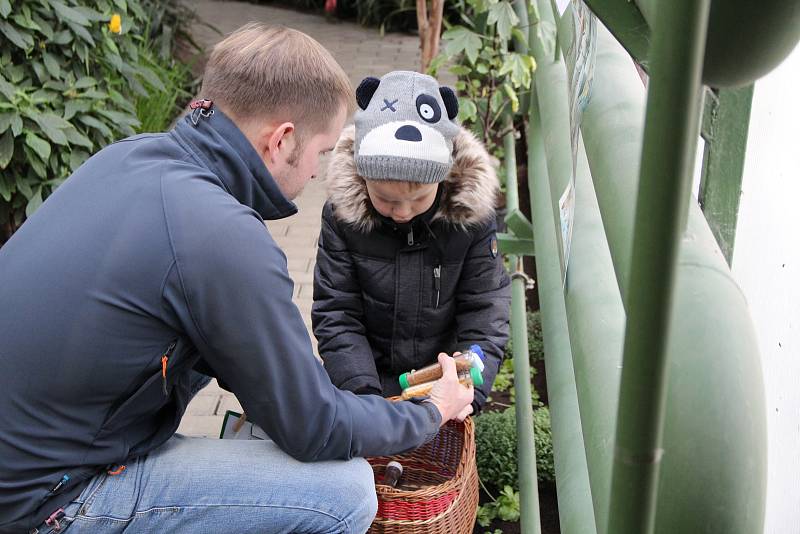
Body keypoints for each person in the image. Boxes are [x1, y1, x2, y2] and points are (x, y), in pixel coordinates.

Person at [0, 25, 473, 534]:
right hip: (48, 499)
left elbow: (272, 385)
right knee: (342, 493)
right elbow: (313, 426)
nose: (317, 173)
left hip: (25, 463)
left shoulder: (130, 157)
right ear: (282, 139)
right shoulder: (222, 233)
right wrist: (430, 410)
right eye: (320, 152)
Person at [312, 71, 511, 415]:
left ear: (444, 176)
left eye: (418, 199)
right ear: (363, 177)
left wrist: (466, 389)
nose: (402, 213)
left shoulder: (469, 220)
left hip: (442, 380)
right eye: (385, 199)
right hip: (365, 379)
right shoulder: (343, 218)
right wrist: (364, 395)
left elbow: (484, 309)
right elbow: (337, 312)